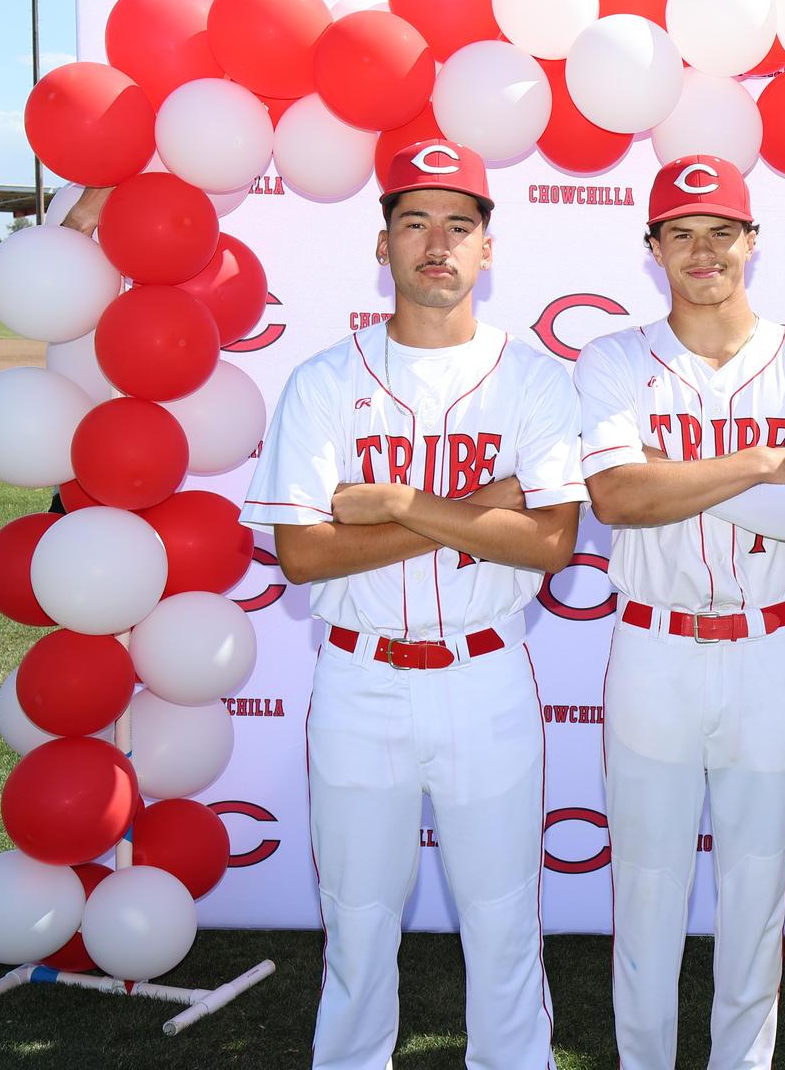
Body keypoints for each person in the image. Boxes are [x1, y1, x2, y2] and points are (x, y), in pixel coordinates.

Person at [241, 139, 586, 1070]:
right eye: (415, 223)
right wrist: (481, 511)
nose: (437, 243)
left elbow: (553, 545)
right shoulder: (323, 380)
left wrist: (397, 503)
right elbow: (304, 553)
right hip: (363, 676)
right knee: (356, 920)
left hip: (486, 673)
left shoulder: (536, 379)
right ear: (383, 244)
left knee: (507, 913)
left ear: (487, 248)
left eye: (458, 225)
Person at [574, 154, 785, 1070]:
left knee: (754, 890)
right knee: (647, 890)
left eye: (721, 231)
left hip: (767, 649)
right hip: (653, 646)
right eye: (682, 233)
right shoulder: (612, 358)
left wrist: (676, 480)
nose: (703, 251)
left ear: (752, 241)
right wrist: (755, 464)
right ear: (652, 246)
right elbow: (617, 498)